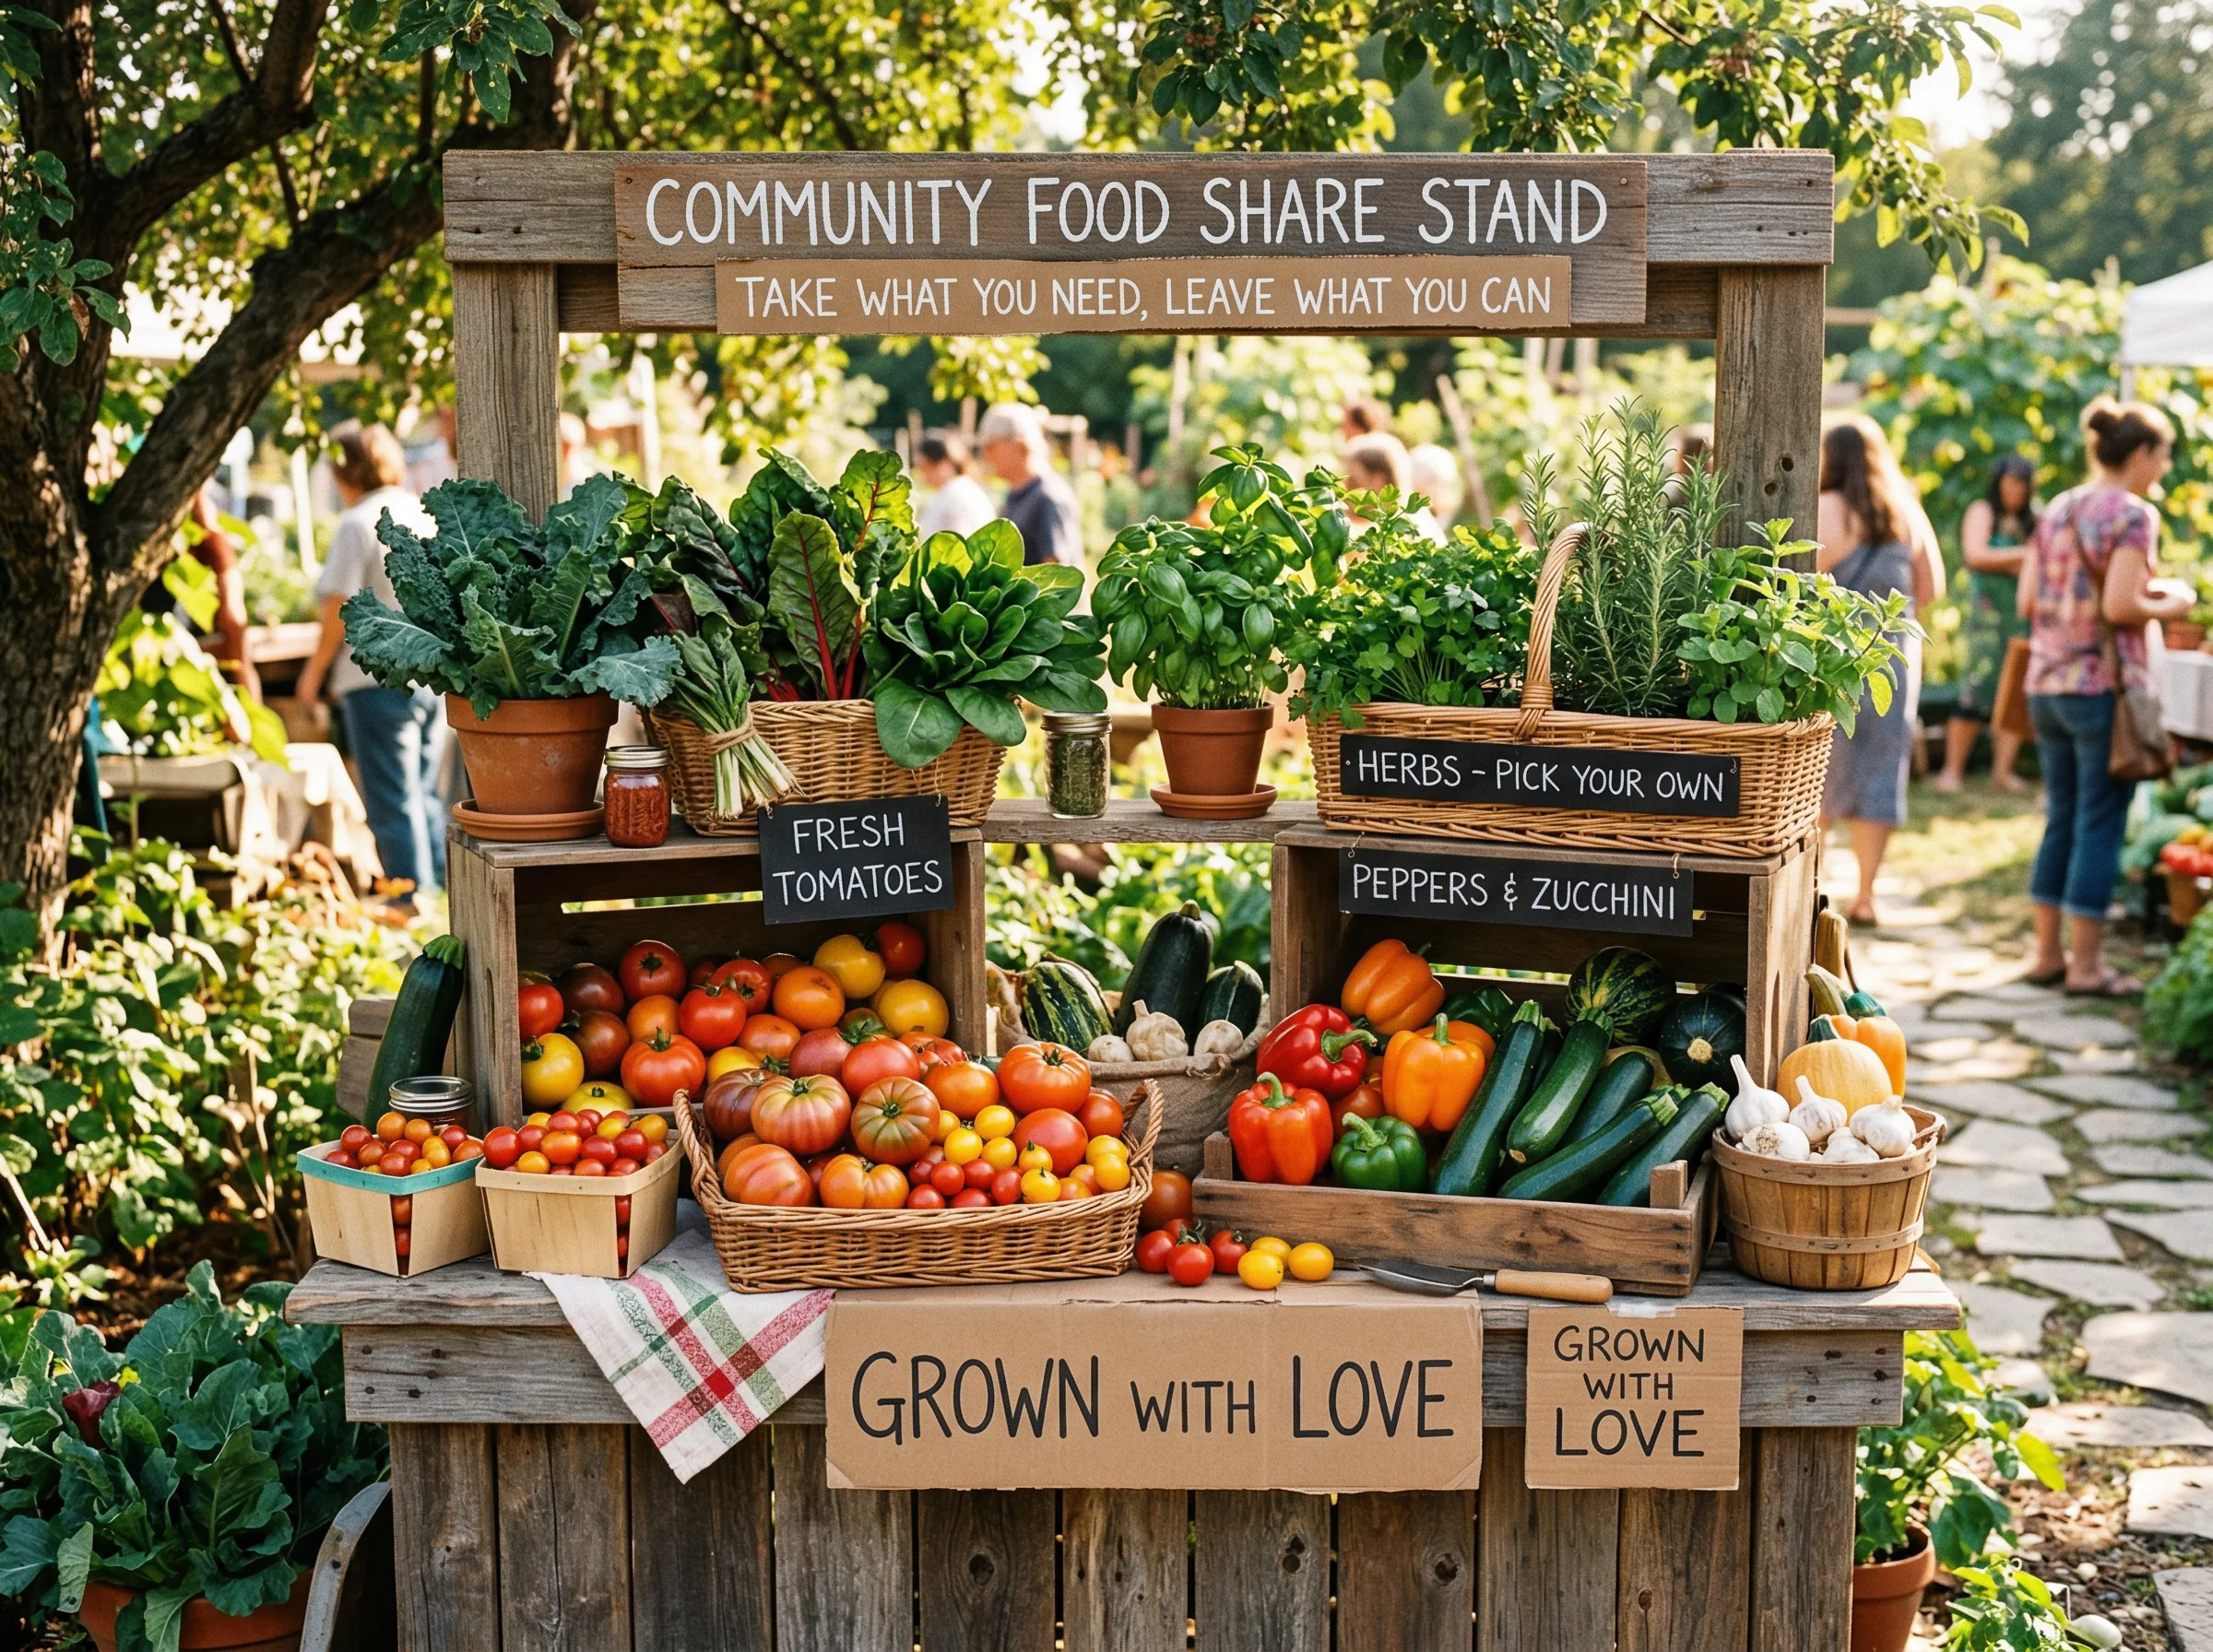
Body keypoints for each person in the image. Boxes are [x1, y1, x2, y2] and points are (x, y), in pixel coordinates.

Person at [2020, 397, 2187, 997]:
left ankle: (2046, 956)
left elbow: (2026, 601)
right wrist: (2172, 603)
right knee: (2098, 823)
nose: (2164, 468)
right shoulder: (2133, 515)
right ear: (2140, 453)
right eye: (2163, 456)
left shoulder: (2060, 509)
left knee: (2061, 816)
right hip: (2102, 692)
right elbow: (2120, 607)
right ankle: (2087, 968)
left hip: (2046, 684)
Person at [296, 421, 447, 906]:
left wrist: (312, 677)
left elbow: (339, 608)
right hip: (431, 676)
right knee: (425, 796)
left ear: (346, 472)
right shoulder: (424, 515)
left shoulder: (357, 522)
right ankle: (445, 900)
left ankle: (411, 905)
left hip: (375, 678)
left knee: (391, 802)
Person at [1817, 416, 1946, 928]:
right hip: (1892, 659)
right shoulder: (1905, 510)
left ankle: (1818, 883)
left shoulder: (1825, 508)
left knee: (1822, 768)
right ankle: (1866, 895)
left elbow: (1804, 582)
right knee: (1880, 769)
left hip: (1834, 659)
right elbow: (1930, 590)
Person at [1936, 455, 2039, 794]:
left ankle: (2002, 771)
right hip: (1985, 618)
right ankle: (1952, 771)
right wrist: (2023, 556)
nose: (2016, 492)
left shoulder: (2032, 520)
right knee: (1974, 689)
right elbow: (1976, 555)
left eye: (2022, 485)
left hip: (2019, 618)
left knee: (2013, 694)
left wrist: (2011, 560)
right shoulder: (1982, 511)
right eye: (2010, 484)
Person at [977, 403, 1081, 567]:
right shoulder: (1017, 494)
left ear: (1019, 445)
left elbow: (1058, 576)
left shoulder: (1047, 497)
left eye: (991, 446)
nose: (985, 455)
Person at [1344, 432, 1444, 541]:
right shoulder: (1414, 518)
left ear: (1379, 481)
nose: (1344, 485)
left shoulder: (1401, 535)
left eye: (1353, 479)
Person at [914, 435, 996, 539]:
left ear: (943, 463)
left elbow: (957, 543)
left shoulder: (951, 496)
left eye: (924, 466)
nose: (922, 473)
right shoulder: (969, 489)